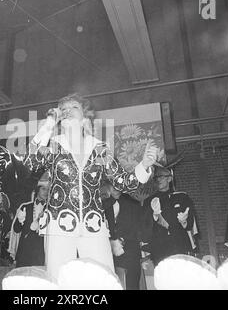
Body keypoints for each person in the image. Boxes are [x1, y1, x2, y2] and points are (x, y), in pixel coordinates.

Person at [23, 93, 158, 280]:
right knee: (59, 278)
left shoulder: (99, 148)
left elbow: (123, 182)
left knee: (102, 277)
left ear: (85, 117)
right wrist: (47, 126)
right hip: (57, 225)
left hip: (93, 225)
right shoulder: (54, 145)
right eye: (64, 109)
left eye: (74, 107)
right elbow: (30, 163)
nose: (68, 111)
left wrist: (143, 166)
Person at [143, 166, 199, 265]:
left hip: (179, 244)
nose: (158, 180)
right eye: (156, 178)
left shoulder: (182, 197)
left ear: (169, 178)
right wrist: (155, 215)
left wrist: (184, 222)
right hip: (159, 247)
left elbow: (191, 223)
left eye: (161, 177)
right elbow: (145, 225)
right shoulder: (149, 201)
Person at [103, 182, 146, 290]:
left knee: (132, 281)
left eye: (119, 185)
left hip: (130, 247)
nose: (117, 189)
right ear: (108, 187)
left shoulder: (133, 202)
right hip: (109, 248)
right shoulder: (102, 204)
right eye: (114, 186)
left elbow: (139, 225)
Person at [11, 183, 48, 268]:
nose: (46, 192)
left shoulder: (50, 209)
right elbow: (16, 229)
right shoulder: (25, 206)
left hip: (42, 251)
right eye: (43, 189)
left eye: (48, 190)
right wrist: (20, 221)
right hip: (25, 250)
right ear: (37, 190)